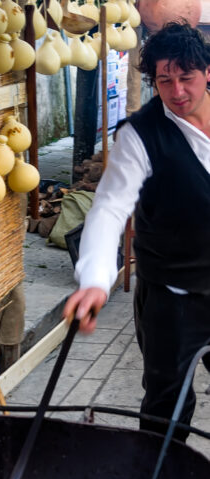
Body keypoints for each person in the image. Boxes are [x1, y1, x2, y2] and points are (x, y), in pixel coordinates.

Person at [63, 21, 210, 441]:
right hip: (172, 296)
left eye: (186, 77)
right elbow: (109, 208)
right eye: (165, 81)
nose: (177, 91)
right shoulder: (140, 137)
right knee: (168, 407)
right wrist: (94, 280)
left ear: (208, 72)